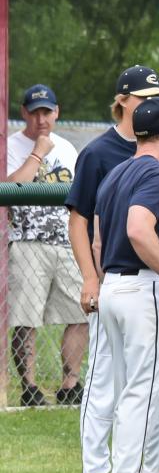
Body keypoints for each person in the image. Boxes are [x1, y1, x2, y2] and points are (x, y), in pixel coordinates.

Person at [65, 65, 159, 473]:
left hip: (133, 283)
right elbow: (80, 221)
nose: (150, 102)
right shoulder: (100, 153)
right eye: (144, 96)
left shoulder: (157, 151)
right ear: (123, 100)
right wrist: (90, 278)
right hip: (117, 280)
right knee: (104, 380)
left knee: (140, 383)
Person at [92, 97, 159, 473]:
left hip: (114, 285)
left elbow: (99, 239)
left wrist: (105, 283)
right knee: (144, 389)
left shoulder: (115, 172)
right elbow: (138, 228)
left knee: (127, 388)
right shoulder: (158, 174)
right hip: (142, 287)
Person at [6, 84, 86, 407]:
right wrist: (37, 152)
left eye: (47, 112)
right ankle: (30, 387)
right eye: (35, 111)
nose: (41, 119)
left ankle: (70, 384)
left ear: (57, 112)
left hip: (66, 242)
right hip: (27, 243)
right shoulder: (12, 144)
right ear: (24, 112)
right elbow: (11, 187)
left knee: (79, 311)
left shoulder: (68, 149)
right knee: (27, 318)